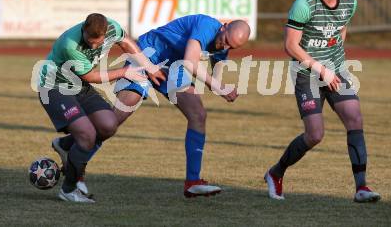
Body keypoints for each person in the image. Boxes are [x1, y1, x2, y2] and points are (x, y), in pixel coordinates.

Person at [263, 0, 380, 203]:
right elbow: (290, 46)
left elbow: (342, 28)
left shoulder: (350, 2)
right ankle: (276, 172)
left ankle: (361, 187)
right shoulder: (303, 5)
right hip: (307, 74)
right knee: (315, 135)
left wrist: (334, 63)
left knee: (354, 117)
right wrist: (319, 68)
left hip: (335, 71)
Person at [112, 14, 251, 197]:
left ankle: (192, 182)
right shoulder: (206, 25)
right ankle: (74, 157)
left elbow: (215, 72)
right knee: (114, 120)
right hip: (149, 54)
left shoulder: (224, 44)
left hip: (173, 67)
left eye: (231, 47)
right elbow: (190, 61)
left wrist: (221, 87)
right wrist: (217, 86)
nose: (225, 47)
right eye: (226, 41)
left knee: (198, 115)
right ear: (223, 27)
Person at [37, 13, 165, 203]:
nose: (94, 46)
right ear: (84, 30)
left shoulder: (112, 27)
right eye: (90, 40)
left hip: (79, 87)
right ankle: (69, 190)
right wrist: (124, 72)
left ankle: (65, 146)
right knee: (87, 135)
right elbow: (90, 77)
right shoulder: (70, 44)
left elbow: (126, 42)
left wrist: (148, 66)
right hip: (55, 87)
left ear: (105, 33)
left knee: (108, 125)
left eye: (98, 42)